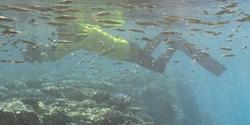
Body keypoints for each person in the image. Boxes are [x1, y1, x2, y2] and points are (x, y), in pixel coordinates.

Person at [24, 11, 225, 77]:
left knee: (159, 68)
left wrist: (38, 54)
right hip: (127, 47)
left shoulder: (79, 36)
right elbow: (60, 48)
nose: (61, 33)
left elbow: (58, 53)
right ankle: (165, 37)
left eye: (62, 29)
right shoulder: (80, 28)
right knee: (149, 57)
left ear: (69, 26)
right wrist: (41, 50)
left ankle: (175, 43)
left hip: (126, 51)